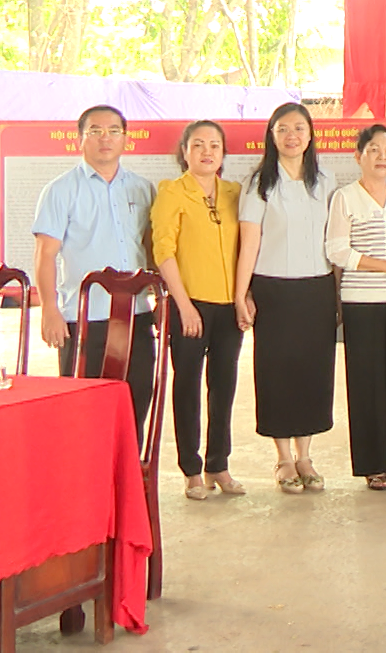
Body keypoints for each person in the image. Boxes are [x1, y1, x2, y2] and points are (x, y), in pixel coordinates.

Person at [31, 105, 158, 435]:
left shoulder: (143, 189)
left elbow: (152, 250)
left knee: (136, 405)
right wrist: (50, 310)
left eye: (114, 131)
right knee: (82, 412)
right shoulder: (60, 190)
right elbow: (45, 255)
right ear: (80, 139)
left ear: (125, 139)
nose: (106, 138)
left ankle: (129, 469)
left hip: (136, 315)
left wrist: (161, 300)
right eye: (96, 131)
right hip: (85, 318)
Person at [234, 102, 338, 494]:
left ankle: (305, 455)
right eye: (283, 129)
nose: (291, 136)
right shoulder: (259, 182)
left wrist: (338, 293)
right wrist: (241, 294)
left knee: (312, 370)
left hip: (317, 288)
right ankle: (282, 458)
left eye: (298, 128)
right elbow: (249, 242)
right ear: (272, 135)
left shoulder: (324, 181)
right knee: (277, 371)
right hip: (273, 288)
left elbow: (333, 240)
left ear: (310, 135)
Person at [152, 120, 245, 501]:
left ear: (223, 153)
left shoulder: (234, 193)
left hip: (229, 306)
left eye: (215, 145)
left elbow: (247, 248)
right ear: (185, 152)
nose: (207, 152)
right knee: (188, 386)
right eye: (198, 145)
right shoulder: (172, 192)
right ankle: (191, 470)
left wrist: (244, 296)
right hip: (189, 305)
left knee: (224, 386)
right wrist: (184, 305)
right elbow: (163, 251)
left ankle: (218, 464)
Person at [325, 124, 386, 491]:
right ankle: (369, 464)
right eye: (374, 150)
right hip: (361, 302)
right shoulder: (345, 197)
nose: (382, 157)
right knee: (365, 384)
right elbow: (337, 251)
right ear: (358, 156)